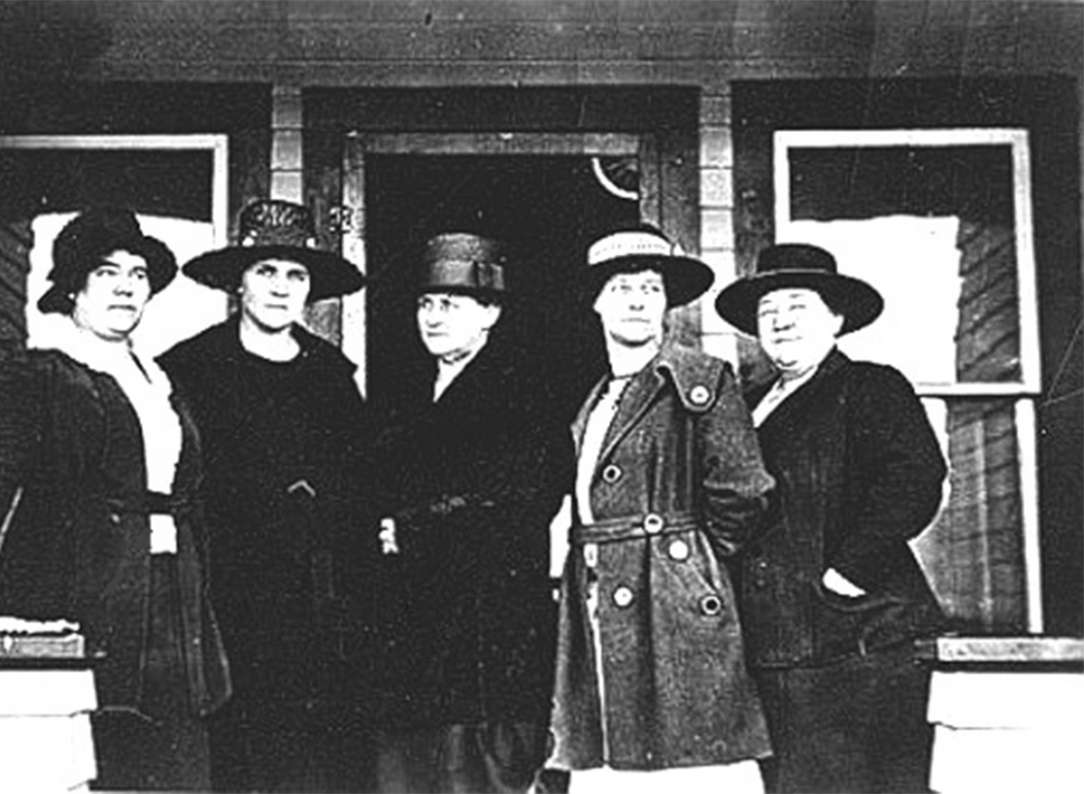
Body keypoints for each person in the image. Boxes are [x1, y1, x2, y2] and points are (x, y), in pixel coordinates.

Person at [0, 207, 231, 790]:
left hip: (170, 600)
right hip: (77, 587)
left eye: (138, 274)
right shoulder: (41, 374)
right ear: (74, 286)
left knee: (174, 762)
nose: (128, 285)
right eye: (108, 272)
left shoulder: (160, 381)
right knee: (85, 759)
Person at [545, 224, 775, 793]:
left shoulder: (697, 378)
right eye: (622, 288)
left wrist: (687, 565)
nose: (637, 301)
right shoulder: (595, 399)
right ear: (597, 302)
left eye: (650, 288)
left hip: (673, 604)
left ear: (668, 303)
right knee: (610, 760)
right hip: (599, 600)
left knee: (689, 766)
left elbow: (745, 490)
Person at [714, 242, 949, 793]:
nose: (780, 320)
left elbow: (914, 480)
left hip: (862, 644)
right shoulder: (745, 405)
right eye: (768, 310)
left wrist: (844, 574)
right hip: (775, 647)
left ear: (835, 318)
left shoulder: (868, 386)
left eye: (797, 305)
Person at [157, 199, 373, 793]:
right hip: (221, 602)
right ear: (239, 282)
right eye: (266, 271)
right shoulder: (190, 369)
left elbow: (356, 491)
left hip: (313, 608)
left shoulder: (331, 373)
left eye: (296, 274)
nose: (281, 288)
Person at [369, 232, 573, 794]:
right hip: (415, 642)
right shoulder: (406, 393)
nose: (434, 318)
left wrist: (408, 527)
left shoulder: (526, 394)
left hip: (489, 643)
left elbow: (524, 504)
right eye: (425, 304)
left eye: (451, 305)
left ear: (489, 313)